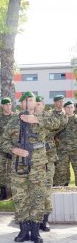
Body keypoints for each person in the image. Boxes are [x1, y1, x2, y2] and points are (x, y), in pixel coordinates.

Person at [0, 91, 61, 243]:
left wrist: (37, 120)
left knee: (38, 196)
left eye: (31, 100)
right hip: (18, 165)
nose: (27, 103)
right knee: (21, 197)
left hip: (38, 166)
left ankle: (35, 230)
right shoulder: (13, 122)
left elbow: (59, 122)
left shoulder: (44, 119)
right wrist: (14, 150)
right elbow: (3, 141)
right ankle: (23, 230)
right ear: (21, 104)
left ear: (35, 103)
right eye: (24, 100)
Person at [35, 95, 68, 232]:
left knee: (47, 187)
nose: (37, 106)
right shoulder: (24, 118)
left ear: (43, 105)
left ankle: (45, 220)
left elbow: (61, 123)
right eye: (35, 104)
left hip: (48, 157)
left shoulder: (49, 117)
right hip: (31, 159)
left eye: (40, 104)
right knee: (33, 188)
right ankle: (33, 219)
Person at [0, 97, 15, 200]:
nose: (8, 106)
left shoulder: (15, 117)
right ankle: (2, 193)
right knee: (1, 171)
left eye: (9, 104)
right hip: (1, 149)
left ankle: (12, 193)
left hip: (14, 150)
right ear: (2, 106)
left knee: (12, 171)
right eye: (6, 104)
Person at [54, 100, 77, 186]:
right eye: (68, 107)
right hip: (62, 151)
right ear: (64, 108)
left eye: (71, 107)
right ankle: (62, 190)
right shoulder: (60, 120)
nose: (70, 109)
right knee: (61, 172)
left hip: (76, 150)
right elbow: (53, 132)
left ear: (74, 108)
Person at [53, 95, 70, 186]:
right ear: (55, 102)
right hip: (53, 147)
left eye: (62, 101)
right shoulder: (51, 114)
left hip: (64, 147)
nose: (61, 103)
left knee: (64, 168)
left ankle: (65, 185)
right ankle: (55, 185)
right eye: (59, 101)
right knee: (54, 167)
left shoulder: (66, 113)